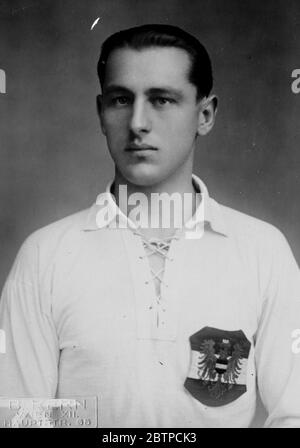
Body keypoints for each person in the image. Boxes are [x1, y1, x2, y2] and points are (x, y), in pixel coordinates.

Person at [0, 24, 300, 428]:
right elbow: (19, 416)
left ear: (205, 115)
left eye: (162, 99)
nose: (138, 122)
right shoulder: (45, 255)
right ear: (100, 114)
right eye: (121, 99)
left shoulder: (263, 251)